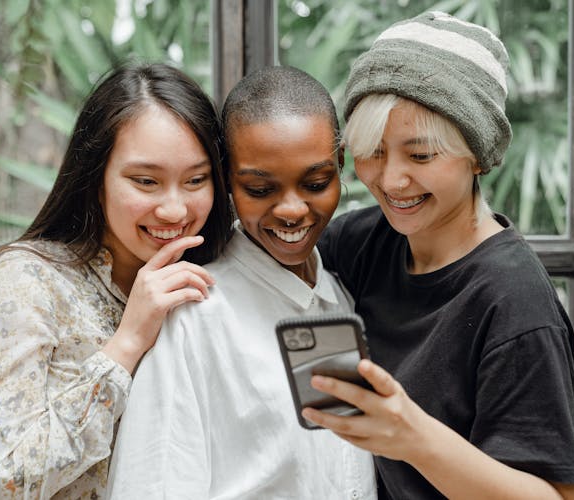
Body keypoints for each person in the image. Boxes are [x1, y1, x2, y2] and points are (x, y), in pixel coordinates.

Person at [306, 11, 574, 499]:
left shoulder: (516, 303)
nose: (391, 181)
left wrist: (413, 438)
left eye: (420, 156)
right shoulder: (365, 242)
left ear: (477, 155)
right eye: (373, 150)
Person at [0, 62, 233, 499]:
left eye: (196, 180)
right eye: (146, 181)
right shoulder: (24, 281)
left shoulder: (214, 282)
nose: (175, 210)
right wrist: (126, 344)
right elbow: (6, 481)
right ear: (95, 177)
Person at [107, 66, 377, 499]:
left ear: (341, 163)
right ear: (226, 177)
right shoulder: (195, 314)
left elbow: (336, 475)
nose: (292, 209)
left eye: (316, 183)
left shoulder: (336, 298)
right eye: (259, 188)